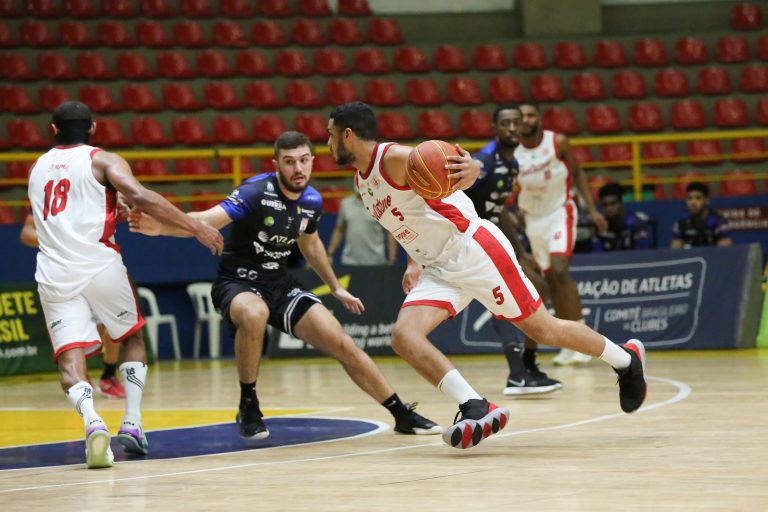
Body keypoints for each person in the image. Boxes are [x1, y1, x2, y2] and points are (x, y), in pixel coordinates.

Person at [327, 102, 647, 450]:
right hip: (437, 267)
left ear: (348, 135)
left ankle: (626, 360)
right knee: (404, 337)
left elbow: (461, 167)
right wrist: (413, 261)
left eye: (330, 136)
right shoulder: (362, 181)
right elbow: (405, 218)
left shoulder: (396, 158)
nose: (327, 144)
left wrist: (474, 168)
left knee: (543, 329)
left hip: (473, 250)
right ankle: (476, 407)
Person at [129, 131, 440, 440]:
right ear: (276, 164)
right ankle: (248, 405)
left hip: (279, 284)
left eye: (304, 160)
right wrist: (161, 228)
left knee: (342, 343)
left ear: (312, 162)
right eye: (289, 162)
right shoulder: (254, 193)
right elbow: (205, 219)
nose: (298, 168)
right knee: (255, 314)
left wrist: (334, 287)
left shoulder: (311, 200)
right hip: (238, 281)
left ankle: (401, 414)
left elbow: (311, 245)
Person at [28, 101, 223, 469]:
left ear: (53, 130)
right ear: (93, 128)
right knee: (131, 338)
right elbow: (140, 195)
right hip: (100, 266)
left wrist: (107, 204)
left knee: (69, 360)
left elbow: (60, 213)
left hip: (54, 275)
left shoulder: (37, 168)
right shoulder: (103, 159)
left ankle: (92, 422)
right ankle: (132, 422)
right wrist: (195, 226)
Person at [466, 104, 562, 396]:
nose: (512, 128)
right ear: (494, 128)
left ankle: (527, 365)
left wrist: (521, 251)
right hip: (470, 241)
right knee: (501, 302)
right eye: (505, 123)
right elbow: (453, 196)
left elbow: (500, 211)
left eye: (516, 122)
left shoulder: (513, 164)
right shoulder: (484, 162)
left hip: (494, 239)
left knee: (540, 289)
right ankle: (518, 375)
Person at [514, 103, 608, 366]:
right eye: (522, 117)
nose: (527, 120)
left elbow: (578, 173)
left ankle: (584, 338)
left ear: (539, 119)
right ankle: (569, 343)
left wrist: (592, 210)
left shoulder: (558, 142)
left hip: (559, 211)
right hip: (533, 218)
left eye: (531, 115)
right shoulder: (514, 152)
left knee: (559, 269)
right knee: (551, 280)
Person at [20, 213, 127, 398]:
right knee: (75, 330)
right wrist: (56, 241)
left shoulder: (93, 199)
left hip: (96, 269)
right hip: (64, 276)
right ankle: (80, 375)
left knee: (113, 323)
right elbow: (26, 233)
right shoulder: (46, 200)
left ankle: (109, 376)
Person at [326, 192, 398, 266]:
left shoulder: (382, 204)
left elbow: (390, 232)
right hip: (349, 262)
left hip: (376, 263)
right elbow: (339, 230)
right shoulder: (346, 204)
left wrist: (392, 258)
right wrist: (329, 253)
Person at [593, 183, 652, 252]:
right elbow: (597, 254)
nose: (609, 208)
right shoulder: (601, 226)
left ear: (620, 203)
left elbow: (643, 251)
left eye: (613, 203)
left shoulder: (635, 224)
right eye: (605, 205)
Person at [671, 182, 732, 249]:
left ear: (707, 200)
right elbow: (675, 250)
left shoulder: (719, 222)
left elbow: (724, 250)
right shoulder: (681, 224)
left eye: (698, 198)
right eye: (689, 198)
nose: (693, 203)